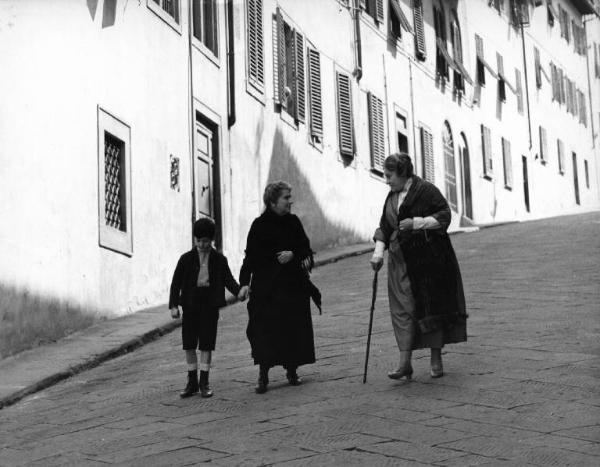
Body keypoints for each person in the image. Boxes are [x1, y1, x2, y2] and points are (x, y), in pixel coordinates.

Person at [370, 153, 467, 380]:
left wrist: (417, 222)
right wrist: (377, 254)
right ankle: (405, 364)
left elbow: (444, 215)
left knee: (430, 308)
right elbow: (384, 226)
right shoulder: (391, 197)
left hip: (428, 262)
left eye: (389, 175)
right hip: (400, 262)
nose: (386, 180)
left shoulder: (426, 191)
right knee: (402, 310)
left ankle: (436, 358)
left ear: (403, 173)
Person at [238, 181, 318, 394]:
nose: (290, 202)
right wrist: (244, 283)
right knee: (265, 331)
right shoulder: (259, 225)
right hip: (267, 290)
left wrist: (293, 254)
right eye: (286, 198)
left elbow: (306, 249)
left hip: (292, 287)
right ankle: (263, 375)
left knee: (291, 329)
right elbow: (250, 258)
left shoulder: (293, 222)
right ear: (273, 201)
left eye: (289, 197)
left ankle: (292, 370)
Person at [169, 218, 241, 398]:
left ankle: (204, 381)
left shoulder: (219, 259)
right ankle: (191, 381)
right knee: (189, 343)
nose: (202, 244)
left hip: (209, 304)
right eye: (199, 240)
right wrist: (173, 305)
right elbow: (175, 283)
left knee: (207, 343)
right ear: (194, 239)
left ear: (212, 240)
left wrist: (240, 291)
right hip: (190, 303)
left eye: (206, 241)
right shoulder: (185, 259)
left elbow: (228, 280)